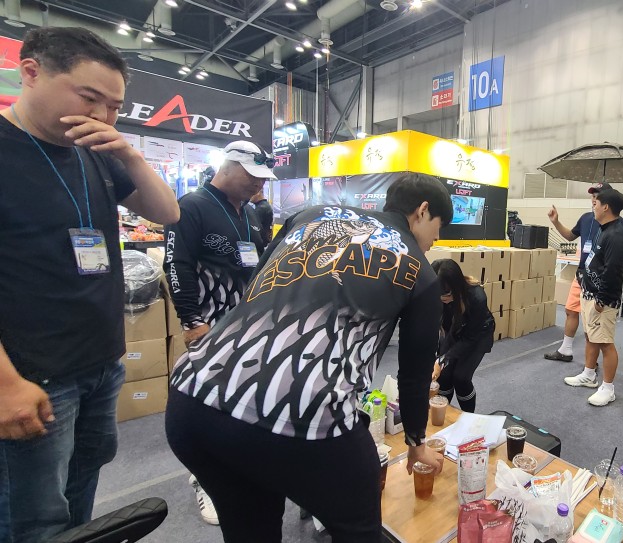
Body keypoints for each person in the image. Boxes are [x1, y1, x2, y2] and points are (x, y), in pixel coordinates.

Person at [165, 173, 450, 543]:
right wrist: (415, 443)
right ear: (422, 210)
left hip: (195, 393)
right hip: (303, 410)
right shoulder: (419, 271)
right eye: (439, 228)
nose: (435, 240)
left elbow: (255, 285)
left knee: (251, 528)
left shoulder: (310, 216)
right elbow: (414, 375)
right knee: (358, 531)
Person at [0, 27, 179, 543]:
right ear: (31, 72)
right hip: (32, 375)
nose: (103, 115)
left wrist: (132, 156)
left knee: (82, 493)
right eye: (89, 97)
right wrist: (6, 384)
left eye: (115, 106)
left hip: (101, 362)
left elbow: (167, 213)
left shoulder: (95, 150)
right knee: (32, 514)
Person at [163, 141, 276, 525]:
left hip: (245, 325)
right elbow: (176, 264)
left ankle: (236, 465)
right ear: (228, 166)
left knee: (241, 398)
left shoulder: (249, 212)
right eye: (253, 176)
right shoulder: (192, 206)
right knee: (206, 401)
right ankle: (203, 478)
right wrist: (191, 321)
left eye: (263, 179)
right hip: (209, 325)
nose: (259, 184)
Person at [563, 189, 623, 406]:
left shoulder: (616, 234)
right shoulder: (604, 228)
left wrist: (601, 299)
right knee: (591, 336)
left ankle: (608, 388)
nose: (593, 207)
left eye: (596, 204)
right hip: (589, 293)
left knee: (605, 342)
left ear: (606, 207)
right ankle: (589, 374)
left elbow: (614, 271)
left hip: (602, 300)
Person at [544, 182, 616, 362]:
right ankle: (566, 349)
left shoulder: (612, 223)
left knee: (591, 320)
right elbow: (570, 236)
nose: (594, 200)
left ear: (606, 202)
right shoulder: (586, 218)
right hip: (582, 274)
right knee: (571, 310)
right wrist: (556, 222)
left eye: (598, 197)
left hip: (598, 277)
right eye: (592, 196)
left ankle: (591, 364)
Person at [431, 258, 495, 413]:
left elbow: (470, 338)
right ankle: (444, 414)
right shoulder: (438, 294)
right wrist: (439, 359)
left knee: (461, 378)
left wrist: (443, 359)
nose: (443, 300)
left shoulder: (477, 297)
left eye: (446, 295)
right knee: (443, 375)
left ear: (457, 286)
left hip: (478, 335)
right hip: (454, 331)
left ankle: (469, 416)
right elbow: (445, 330)